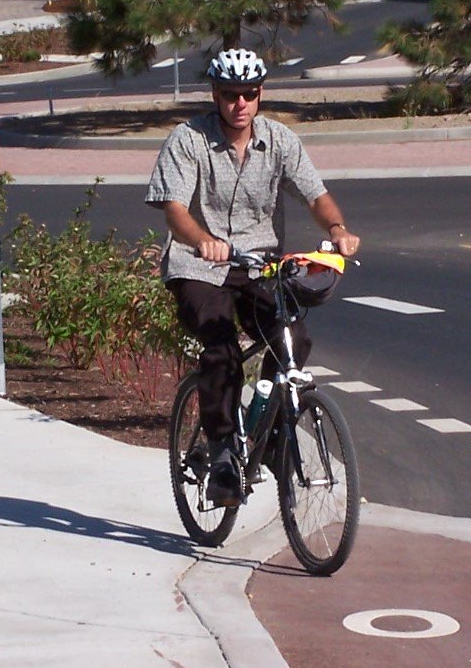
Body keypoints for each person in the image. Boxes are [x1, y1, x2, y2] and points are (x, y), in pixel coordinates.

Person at [146, 48, 360, 508]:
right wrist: (203, 240)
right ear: (215, 94)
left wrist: (337, 230)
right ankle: (223, 450)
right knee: (220, 345)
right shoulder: (188, 140)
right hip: (198, 267)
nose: (240, 103)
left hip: (257, 266)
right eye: (230, 94)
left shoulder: (280, 140)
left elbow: (315, 195)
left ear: (260, 94)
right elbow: (174, 210)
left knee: (292, 338)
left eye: (249, 93)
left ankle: (272, 431)